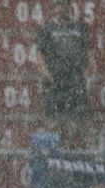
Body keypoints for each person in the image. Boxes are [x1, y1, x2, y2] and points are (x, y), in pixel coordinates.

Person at [36, 0, 93, 148]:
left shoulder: (80, 28)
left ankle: (80, 162)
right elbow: (40, 60)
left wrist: (82, 79)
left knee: (80, 128)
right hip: (56, 86)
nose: (63, 8)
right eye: (60, 5)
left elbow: (90, 58)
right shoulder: (47, 29)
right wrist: (51, 79)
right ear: (56, 7)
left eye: (66, 5)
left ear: (70, 6)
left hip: (76, 85)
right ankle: (55, 161)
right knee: (54, 126)